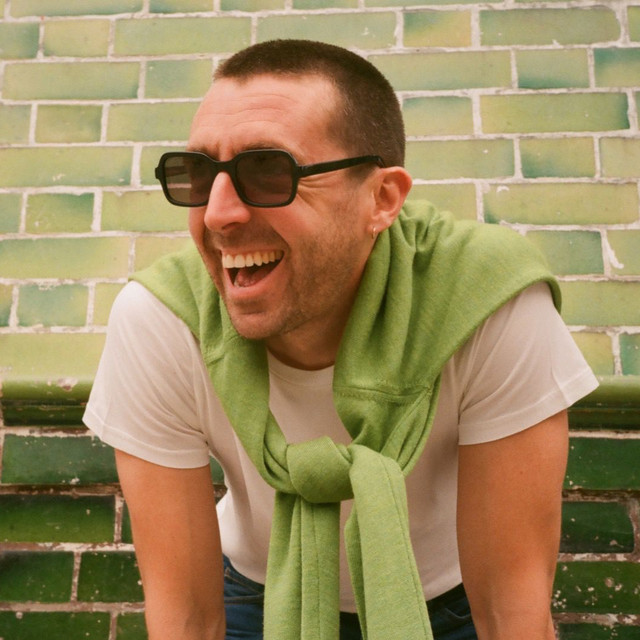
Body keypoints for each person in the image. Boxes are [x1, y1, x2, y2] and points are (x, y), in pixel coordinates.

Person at [84, 39, 598, 640]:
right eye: (198, 173)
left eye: (269, 172)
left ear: (382, 199)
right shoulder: (162, 320)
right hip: (256, 591)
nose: (219, 214)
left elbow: (511, 615)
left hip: (448, 602)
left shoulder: (488, 298)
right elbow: (189, 622)